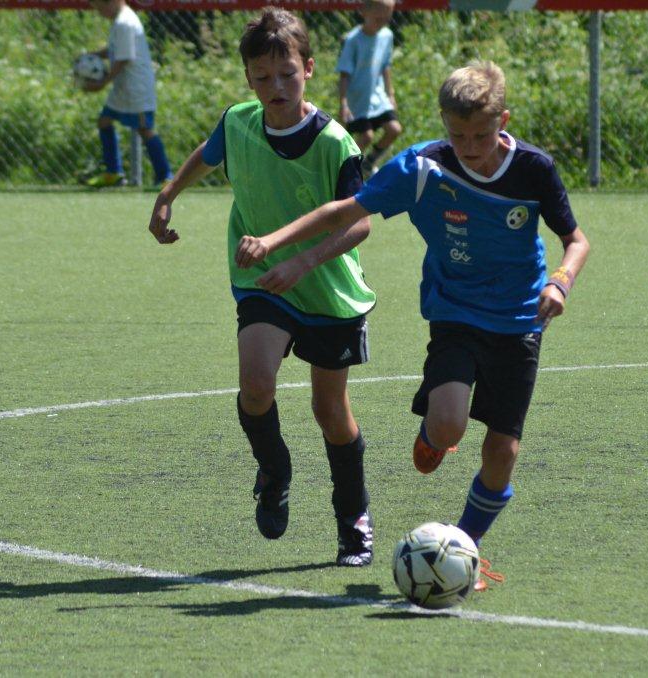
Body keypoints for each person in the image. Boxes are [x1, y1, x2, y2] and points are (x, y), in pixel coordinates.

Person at [236, 61, 590, 590]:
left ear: (503, 121)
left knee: (503, 453)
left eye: (481, 135)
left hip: (520, 320)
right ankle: (434, 437)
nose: (469, 148)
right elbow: (345, 211)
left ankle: (465, 547)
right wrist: (277, 244)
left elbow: (576, 241)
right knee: (448, 425)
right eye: (457, 136)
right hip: (455, 312)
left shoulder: (533, 169)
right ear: (444, 125)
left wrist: (560, 281)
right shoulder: (423, 168)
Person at [148, 7, 378, 566]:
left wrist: (302, 262)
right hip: (261, 283)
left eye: (287, 74)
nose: (276, 87)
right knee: (256, 384)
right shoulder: (239, 123)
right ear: (248, 79)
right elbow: (208, 155)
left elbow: (360, 224)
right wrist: (168, 194)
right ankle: (275, 471)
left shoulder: (335, 143)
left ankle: (353, 520)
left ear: (309, 69)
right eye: (262, 77)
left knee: (331, 412)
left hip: (327, 290)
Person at [81, 0, 172, 188]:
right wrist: (94, 55)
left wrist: (102, 83)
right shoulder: (120, 20)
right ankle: (113, 173)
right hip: (123, 88)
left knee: (145, 129)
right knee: (104, 121)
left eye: (100, 8)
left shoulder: (125, 23)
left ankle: (165, 177)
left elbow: (123, 59)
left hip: (136, 88)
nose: (99, 12)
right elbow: (115, 50)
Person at [336, 0, 402, 178]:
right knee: (367, 136)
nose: (382, 23)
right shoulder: (353, 40)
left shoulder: (387, 35)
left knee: (394, 129)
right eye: (378, 19)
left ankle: (368, 163)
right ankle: (344, 167)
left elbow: (385, 66)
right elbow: (344, 74)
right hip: (358, 99)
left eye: (386, 19)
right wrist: (343, 103)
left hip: (378, 96)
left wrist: (390, 93)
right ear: (364, 11)